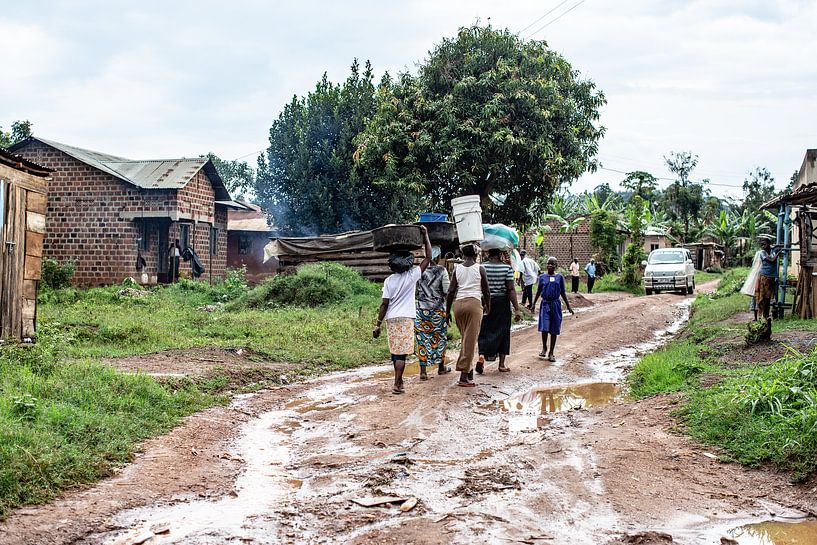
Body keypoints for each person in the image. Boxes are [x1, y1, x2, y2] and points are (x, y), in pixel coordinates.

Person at [373, 226, 433, 394]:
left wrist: (377, 324)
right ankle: (397, 383)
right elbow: (428, 257)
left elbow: (384, 304)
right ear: (408, 262)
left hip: (391, 319)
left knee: (395, 353)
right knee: (401, 354)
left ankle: (398, 382)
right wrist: (425, 235)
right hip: (406, 318)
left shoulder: (388, 281)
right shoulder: (412, 275)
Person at [446, 244, 491, 387]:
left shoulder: (457, 269)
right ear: (476, 254)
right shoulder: (480, 268)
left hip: (458, 305)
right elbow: (486, 291)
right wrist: (488, 306)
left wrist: (447, 311)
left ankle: (469, 371)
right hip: (474, 304)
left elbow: (451, 291)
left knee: (467, 338)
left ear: (463, 254)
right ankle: (463, 377)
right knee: (470, 341)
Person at [477, 248, 523, 374]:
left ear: (488, 254)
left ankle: (481, 356)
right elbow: (511, 290)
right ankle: (501, 364)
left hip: (485, 302)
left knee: (484, 330)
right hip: (502, 303)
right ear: (500, 255)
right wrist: (517, 309)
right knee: (503, 331)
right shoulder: (506, 268)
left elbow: (479, 286)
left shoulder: (481, 267)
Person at [414, 246, 452, 380]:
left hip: (421, 310)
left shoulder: (419, 270)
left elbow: (415, 291)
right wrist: (448, 310)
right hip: (437, 310)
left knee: (422, 339)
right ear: (437, 257)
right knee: (439, 337)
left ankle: (423, 372)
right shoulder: (442, 270)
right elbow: (447, 291)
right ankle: (441, 367)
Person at [531, 256, 574, 362]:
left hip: (555, 304)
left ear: (556, 266)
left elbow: (563, 292)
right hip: (545, 304)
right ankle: (544, 347)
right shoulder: (542, 277)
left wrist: (568, 306)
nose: (550, 265)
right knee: (544, 327)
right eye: (548, 263)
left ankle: (551, 352)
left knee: (554, 328)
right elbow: (538, 291)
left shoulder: (559, 277)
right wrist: (533, 304)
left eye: (552, 264)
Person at [756, 237, 782, 321]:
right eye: (761, 244)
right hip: (764, 276)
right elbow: (772, 260)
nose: (763, 245)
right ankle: (762, 315)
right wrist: (778, 253)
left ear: (769, 244)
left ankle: (766, 315)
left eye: (764, 244)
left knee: (768, 297)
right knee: (763, 297)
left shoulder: (773, 250)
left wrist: (775, 246)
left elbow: (784, 245)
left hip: (772, 276)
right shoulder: (762, 253)